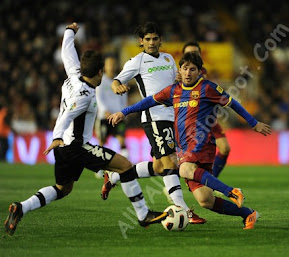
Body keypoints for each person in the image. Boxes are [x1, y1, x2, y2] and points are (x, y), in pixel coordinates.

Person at [4, 23, 167, 236]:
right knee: (125, 166)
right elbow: (67, 115)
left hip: (64, 148)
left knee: (63, 189)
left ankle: (21, 207)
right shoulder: (85, 95)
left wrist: (69, 32)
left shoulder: (73, 76)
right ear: (99, 72)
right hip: (75, 146)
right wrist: (56, 136)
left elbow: (66, 53)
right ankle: (143, 214)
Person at [108, 52, 272, 229]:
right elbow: (148, 101)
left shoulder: (208, 88)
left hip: (202, 144)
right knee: (205, 200)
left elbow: (233, 103)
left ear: (199, 71)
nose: (188, 73)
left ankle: (231, 191)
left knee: (183, 168)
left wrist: (253, 123)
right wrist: (123, 112)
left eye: (192, 69)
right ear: (179, 70)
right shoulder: (174, 90)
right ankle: (248, 213)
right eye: (185, 69)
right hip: (184, 148)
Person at [102, 22, 205, 224]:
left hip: (172, 117)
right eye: (147, 39)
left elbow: (176, 85)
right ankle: (183, 210)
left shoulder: (168, 59)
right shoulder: (137, 61)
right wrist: (117, 87)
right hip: (154, 117)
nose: (151, 42)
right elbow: (116, 80)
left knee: (159, 166)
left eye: (155, 38)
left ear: (160, 40)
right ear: (141, 41)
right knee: (170, 162)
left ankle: (113, 177)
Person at [181, 42, 230, 178]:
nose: (192, 55)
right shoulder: (179, 74)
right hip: (188, 120)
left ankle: (212, 182)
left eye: (195, 53)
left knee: (225, 148)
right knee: (184, 159)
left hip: (207, 119)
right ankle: (172, 187)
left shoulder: (203, 72)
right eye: (188, 53)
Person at [94, 55, 128, 179]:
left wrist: (124, 112)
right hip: (104, 116)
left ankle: (127, 166)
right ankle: (98, 168)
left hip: (117, 115)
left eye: (113, 64)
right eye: (109, 64)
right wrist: (104, 111)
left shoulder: (120, 80)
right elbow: (98, 97)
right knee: (102, 142)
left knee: (121, 140)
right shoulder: (101, 81)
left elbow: (124, 97)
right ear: (105, 66)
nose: (112, 66)